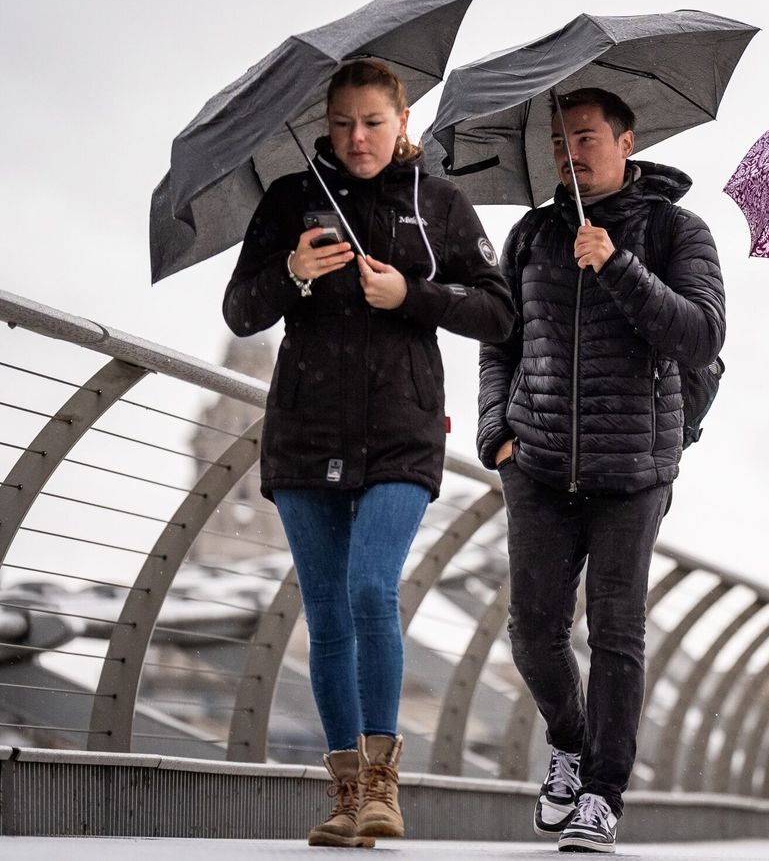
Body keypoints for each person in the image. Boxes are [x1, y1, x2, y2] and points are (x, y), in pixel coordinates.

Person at [223, 59, 516, 848]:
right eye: (345, 122)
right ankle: (347, 794)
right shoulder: (291, 200)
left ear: (402, 123)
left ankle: (385, 781)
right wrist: (291, 272)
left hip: (401, 434)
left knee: (368, 586)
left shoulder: (440, 204)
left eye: (374, 122)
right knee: (325, 614)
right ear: (327, 121)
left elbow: (499, 312)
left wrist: (411, 296)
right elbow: (241, 309)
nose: (358, 137)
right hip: (304, 432)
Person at [477, 87, 725, 854]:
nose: (570, 152)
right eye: (558, 141)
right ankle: (571, 739)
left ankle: (601, 796)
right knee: (533, 632)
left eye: (584, 136)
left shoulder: (678, 230)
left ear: (626, 140)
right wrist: (497, 434)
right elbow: (499, 343)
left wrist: (617, 265)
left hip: (636, 467)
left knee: (617, 630)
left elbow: (702, 334)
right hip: (540, 463)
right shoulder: (529, 236)